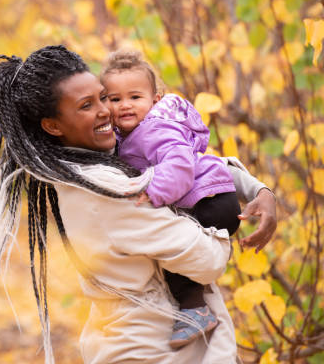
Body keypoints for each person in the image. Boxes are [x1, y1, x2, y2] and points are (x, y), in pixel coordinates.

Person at [0, 45, 276, 364]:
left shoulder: (96, 164)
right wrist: (218, 218)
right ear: (53, 126)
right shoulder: (107, 193)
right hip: (153, 353)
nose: (106, 111)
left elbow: (191, 165)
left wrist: (256, 189)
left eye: (102, 97)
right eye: (88, 105)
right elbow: (206, 261)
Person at [101, 50, 240, 348]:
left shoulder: (155, 129)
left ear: (154, 99)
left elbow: (179, 164)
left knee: (174, 256)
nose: (124, 105)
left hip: (210, 201)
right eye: (114, 99)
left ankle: (195, 312)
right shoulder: (133, 132)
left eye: (134, 97)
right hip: (209, 195)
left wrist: (154, 191)